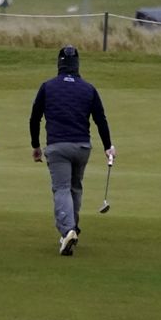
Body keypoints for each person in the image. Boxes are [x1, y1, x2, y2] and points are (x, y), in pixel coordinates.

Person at [29, 45, 116, 256]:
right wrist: (108, 146)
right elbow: (100, 119)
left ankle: (68, 230)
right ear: (77, 65)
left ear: (59, 64)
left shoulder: (47, 87)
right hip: (82, 147)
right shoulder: (88, 88)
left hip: (58, 147)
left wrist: (35, 146)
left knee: (61, 189)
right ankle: (72, 230)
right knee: (75, 188)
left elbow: (34, 117)